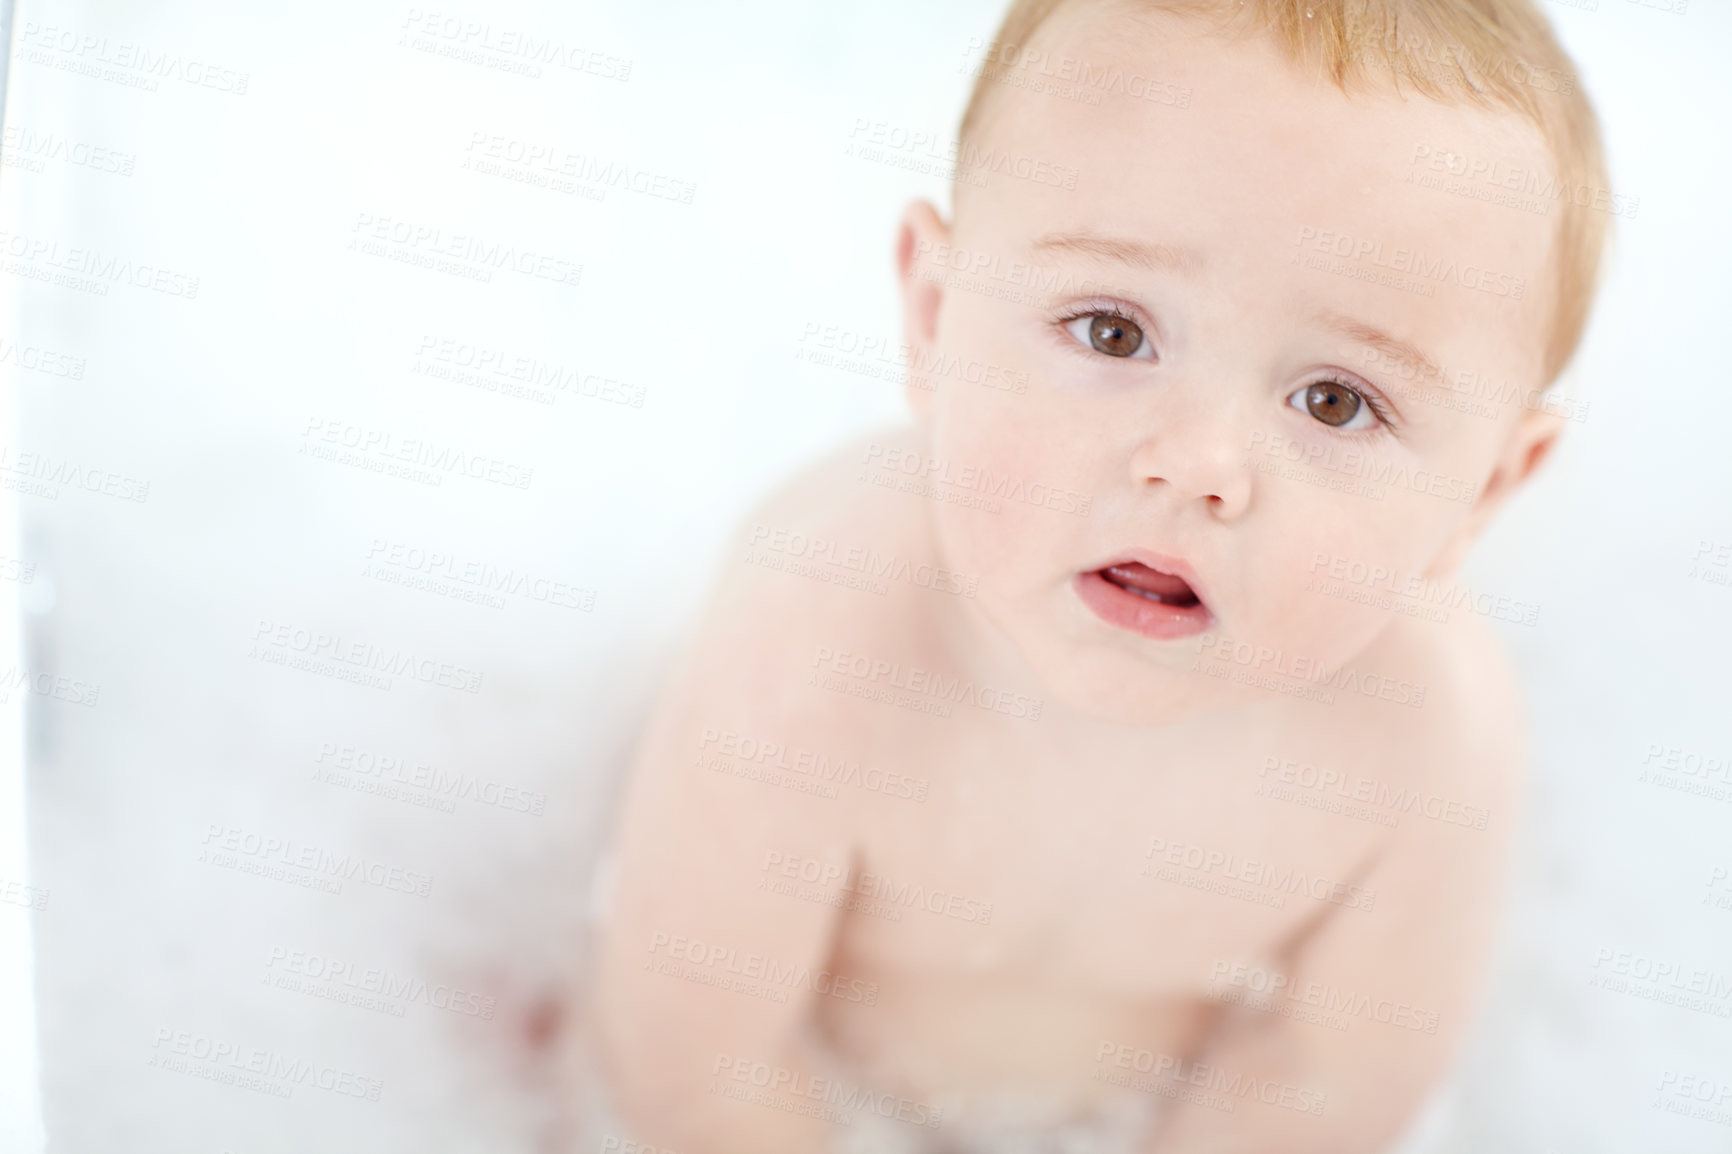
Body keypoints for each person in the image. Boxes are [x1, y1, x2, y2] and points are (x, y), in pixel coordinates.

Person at [585, 1, 1610, 1150]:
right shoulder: (819, 629)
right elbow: (694, 1062)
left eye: (1336, 400)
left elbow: (1324, 1086)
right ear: (933, 315)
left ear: (1481, 493)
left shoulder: (1426, 737)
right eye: (1112, 332)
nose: (1197, 464)